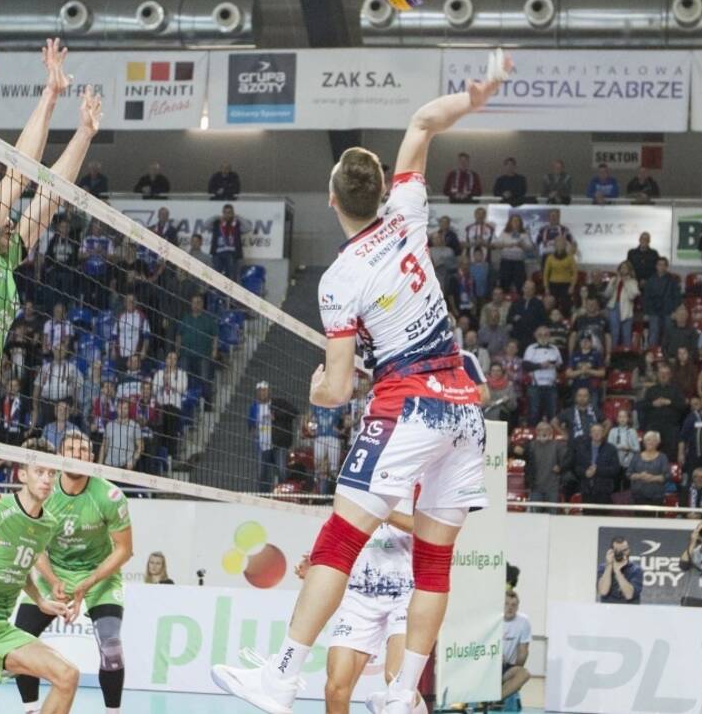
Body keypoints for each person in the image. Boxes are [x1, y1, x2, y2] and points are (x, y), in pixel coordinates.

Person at [211, 51, 510, 714]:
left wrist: (318, 386)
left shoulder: (340, 279)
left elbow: (340, 389)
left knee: (339, 539)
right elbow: (424, 122)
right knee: (434, 560)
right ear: (381, 190)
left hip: (409, 405)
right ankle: (403, 694)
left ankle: (281, 677)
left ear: (331, 199)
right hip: (464, 405)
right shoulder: (406, 212)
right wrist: (476, 97)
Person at [0, 41, 99, 708]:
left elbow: (49, 195)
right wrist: (50, 95)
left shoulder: (3, 261)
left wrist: (83, 133)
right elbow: (19, 171)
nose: (4, 206)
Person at [15, 433, 133, 714]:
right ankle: (31, 710)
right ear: (60, 456)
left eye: (82, 450)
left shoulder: (109, 495)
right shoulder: (45, 490)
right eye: (70, 449)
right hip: (55, 572)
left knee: (112, 648)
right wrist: (53, 580)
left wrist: (88, 583)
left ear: (91, 458)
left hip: (99, 576)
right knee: (19, 641)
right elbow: (35, 543)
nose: (77, 454)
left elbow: (125, 550)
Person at [0, 465, 81, 714]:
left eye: (51, 473)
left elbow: (21, 565)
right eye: (39, 472)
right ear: (22, 475)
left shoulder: (48, 523)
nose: (47, 479)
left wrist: (40, 600)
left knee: (68, 675)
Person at [298, 503, 428, 714]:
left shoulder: (414, 486)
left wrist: (380, 510)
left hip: (405, 593)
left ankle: (414, 707)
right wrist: (317, 563)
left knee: (396, 681)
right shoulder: (353, 488)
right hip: (359, 595)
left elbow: (430, 528)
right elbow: (342, 527)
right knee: (335, 689)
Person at [523, 326, 562, 426]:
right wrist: (540, 365)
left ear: (549, 336)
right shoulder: (531, 348)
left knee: (552, 413)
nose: (543, 337)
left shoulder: (554, 348)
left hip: (551, 386)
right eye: (540, 335)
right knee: (534, 413)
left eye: (546, 335)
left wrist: (555, 365)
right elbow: (525, 365)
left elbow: (560, 364)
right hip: (535, 386)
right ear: (536, 336)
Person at [575, 422, 620, 505]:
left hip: (604, 491)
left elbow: (615, 469)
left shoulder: (611, 449)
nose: (596, 433)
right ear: (590, 434)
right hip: (586, 490)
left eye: (599, 431)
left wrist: (597, 470)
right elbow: (577, 467)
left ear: (603, 433)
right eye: (594, 431)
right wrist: (585, 473)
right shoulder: (582, 448)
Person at [524, 421, 569, 503]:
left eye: (546, 430)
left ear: (551, 432)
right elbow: (520, 454)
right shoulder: (531, 446)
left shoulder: (558, 445)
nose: (543, 432)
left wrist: (560, 466)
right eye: (540, 430)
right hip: (536, 488)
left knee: (553, 510)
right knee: (534, 511)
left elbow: (567, 460)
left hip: (553, 488)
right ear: (536, 432)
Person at [500, 591, 533, 704]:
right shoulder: (493, 619)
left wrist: (515, 673)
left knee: (524, 674)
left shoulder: (523, 622)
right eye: (506, 604)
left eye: (513, 605)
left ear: (517, 607)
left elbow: (523, 652)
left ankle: (496, 699)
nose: (510, 608)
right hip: (490, 666)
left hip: (507, 667)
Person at [628, 431, 670, 508]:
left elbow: (667, 476)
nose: (651, 442)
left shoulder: (662, 457)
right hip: (638, 496)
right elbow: (629, 474)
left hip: (657, 497)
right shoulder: (636, 457)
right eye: (648, 440)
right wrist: (639, 476)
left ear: (658, 443)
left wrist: (652, 478)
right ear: (644, 442)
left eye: (654, 440)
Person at [597, 536, 642, 604]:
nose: (622, 554)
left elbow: (629, 595)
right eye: (618, 551)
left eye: (625, 550)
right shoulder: (603, 568)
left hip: (629, 610)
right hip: (608, 609)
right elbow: (603, 591)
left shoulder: (636, 570)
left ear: (629, 550)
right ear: (611, 552)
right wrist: (609, 565)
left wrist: (617, 571)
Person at [209, 203, 244, 281]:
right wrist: (216, 217)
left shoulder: (236, 224)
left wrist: (238, 217)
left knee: (231, 276)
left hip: (232, 254)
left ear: (233, 213)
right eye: (225, 212)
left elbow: (248, 227)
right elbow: (205, 225)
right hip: (218, 254)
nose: (227, 215)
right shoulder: (217, 223)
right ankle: (216, 288)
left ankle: (231, 288)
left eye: (229, 212)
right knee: (216, 276)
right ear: (223, 213)